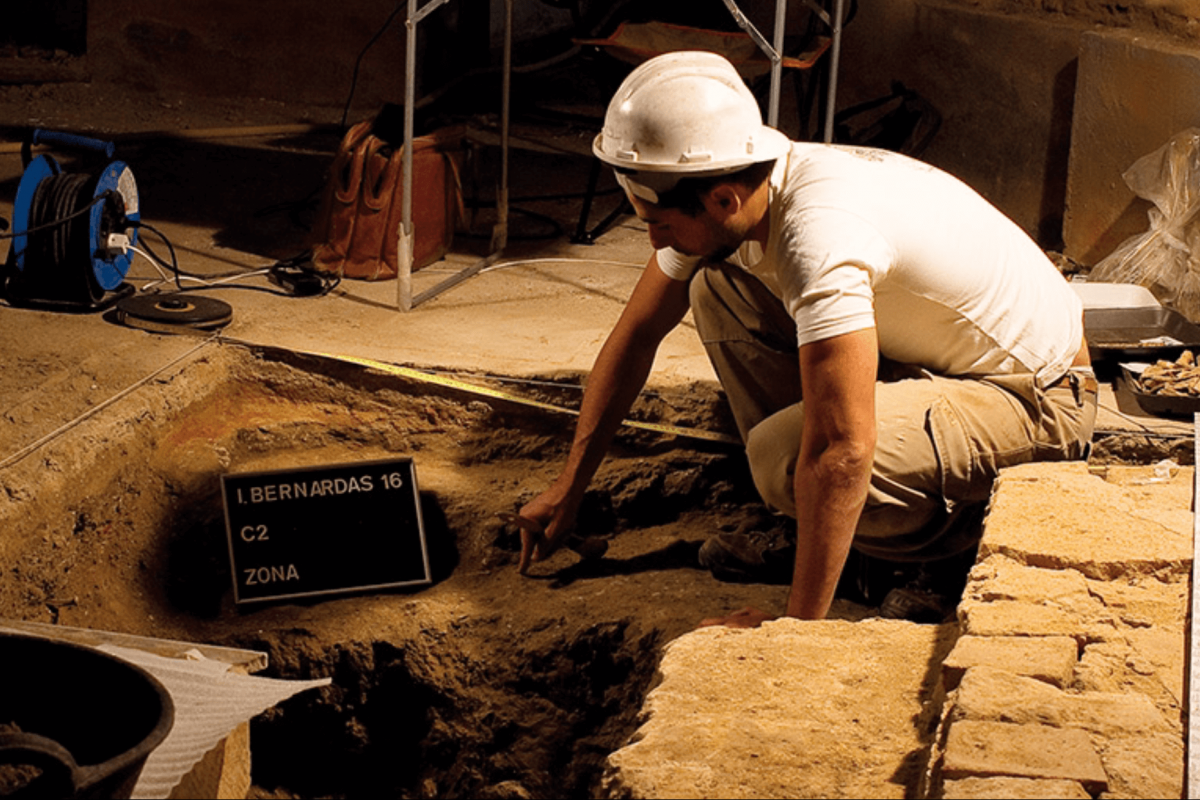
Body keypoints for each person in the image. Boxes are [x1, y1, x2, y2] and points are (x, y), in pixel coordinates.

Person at [515, 50, 1097, 627]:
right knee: (716, 287)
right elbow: (635, 339)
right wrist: (569, 489)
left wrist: (793, 633)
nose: (651, 240)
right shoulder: (745, 183)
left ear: (722, 199)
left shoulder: (819, 235)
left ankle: (952, 553)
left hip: (1038, 399)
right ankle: (817, 525)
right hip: (943, 364)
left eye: (658, 223)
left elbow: (841, 450)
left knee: (784, 458)